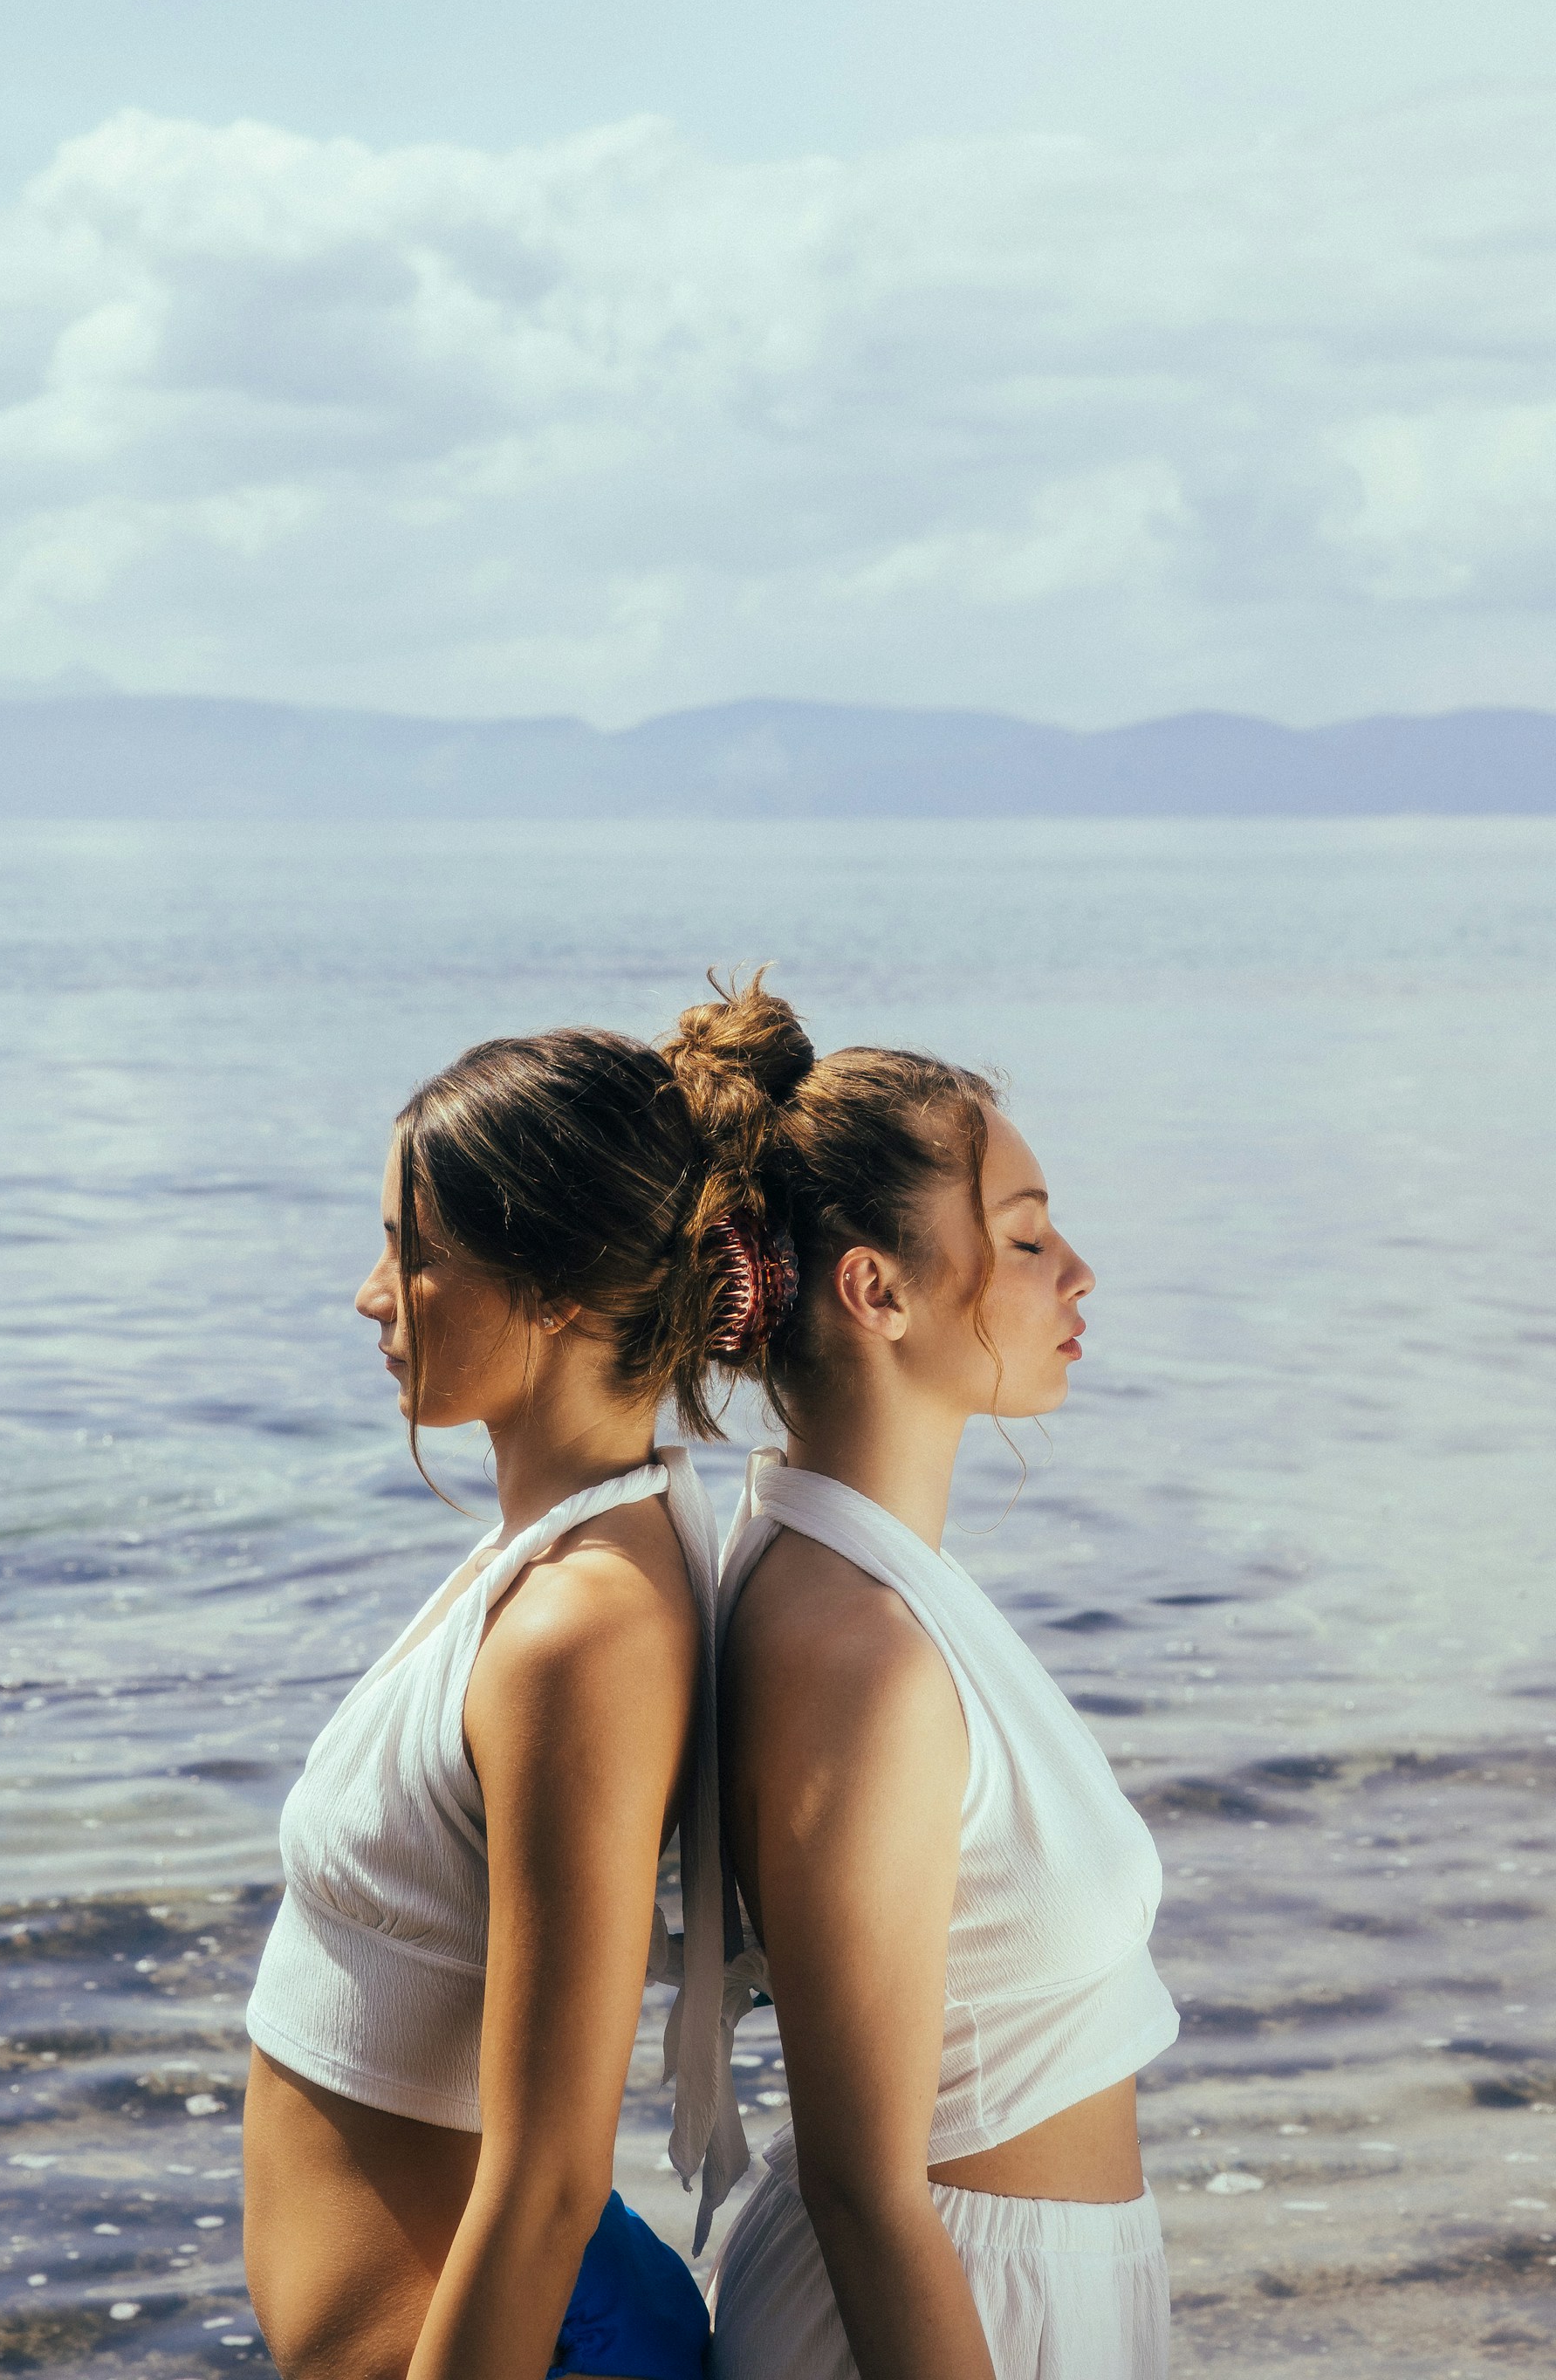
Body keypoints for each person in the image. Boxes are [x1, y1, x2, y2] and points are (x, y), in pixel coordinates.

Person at [670, 977, 1179, 2380]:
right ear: (874, 1288)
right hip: (942, 2312)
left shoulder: (867, 1586)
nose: (1076, 1272)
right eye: (1024, 1239)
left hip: (1010, 2282)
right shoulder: (859, 1653)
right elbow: (863, 2186)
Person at [241, 1025, 753, 2380]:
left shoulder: (580, 1629)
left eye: (417, 1252)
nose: (373, 1294)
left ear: (561, 1292)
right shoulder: (560, 1555)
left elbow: (545, 2182)